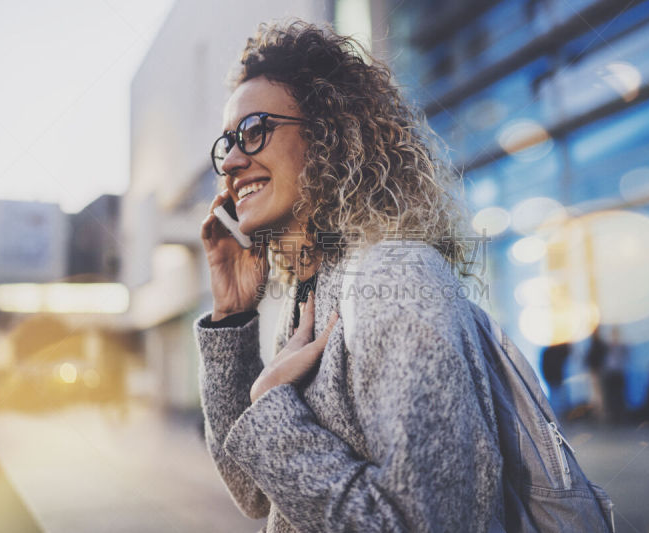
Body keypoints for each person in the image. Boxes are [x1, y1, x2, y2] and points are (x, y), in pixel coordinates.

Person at [195, 21, 503, 532]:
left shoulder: (397, 277)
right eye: (227, 141)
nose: (230, 160)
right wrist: (231, 317)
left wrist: (272, 405)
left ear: (328, 136)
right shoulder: (310, 288)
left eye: (254, 131)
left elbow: (424, 524)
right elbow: (252, 489)